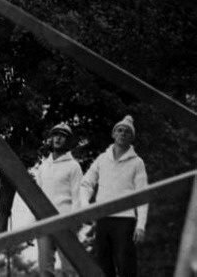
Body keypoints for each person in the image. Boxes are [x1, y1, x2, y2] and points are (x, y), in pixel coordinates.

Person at [80, 115, 148, 277]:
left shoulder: (137, 162)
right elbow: (86, 183)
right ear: (113, 134)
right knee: (104, 265)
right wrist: (85, 206)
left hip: (125, 220)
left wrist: (141, 225)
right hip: (103, 218)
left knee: (126, 265)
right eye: (120, 130)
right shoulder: (102, 159)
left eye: (127, 132)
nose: (123, 133)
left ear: (131, 137)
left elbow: (143, 195)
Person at [35, 122, 82, 277]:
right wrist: (33, 224)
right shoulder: (43, 167)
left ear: (68, 141)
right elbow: (36, 196)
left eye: (63, 136)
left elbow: (77, 196)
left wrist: (75, 222)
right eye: (55, 135)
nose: (58, 139)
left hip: (65, 220)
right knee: (45, 270)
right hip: (44, 222)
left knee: (69, 269)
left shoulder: (74, 166)